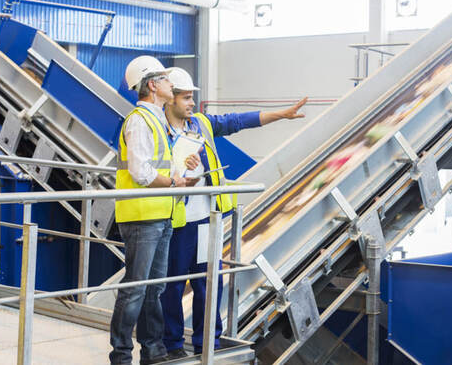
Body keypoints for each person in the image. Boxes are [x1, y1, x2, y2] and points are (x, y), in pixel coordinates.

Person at [160, 67, 308, 359]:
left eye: (192, 98)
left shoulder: (200, 124)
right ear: (170, 99)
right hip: (177, 222)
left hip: (206, 220)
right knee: (172, 285)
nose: (192, 104)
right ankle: (173, 346)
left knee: (208, 283)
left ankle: (208, 343)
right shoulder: (157, 130)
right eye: (186, 98)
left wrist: (282, 114)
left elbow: (237, 121)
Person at [109, 56, 200, 365]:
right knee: (135, 288)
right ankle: (121, 356)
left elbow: (159, 163)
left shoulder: (157, 120)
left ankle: (152, 350)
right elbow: (140, 171)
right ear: (152, 86)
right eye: (164, 80)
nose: (169, 85)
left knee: (154, 288)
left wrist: (182, 168)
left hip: (161, 213)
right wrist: (172, 181)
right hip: (141, 215)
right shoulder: (138, 120)